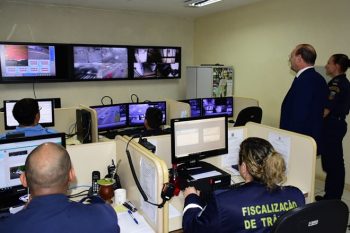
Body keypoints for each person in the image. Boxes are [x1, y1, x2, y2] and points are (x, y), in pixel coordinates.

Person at [182, 137, 305, 233]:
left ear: (244, 167)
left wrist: (191, 198)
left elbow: (193, 228)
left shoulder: (224, 202)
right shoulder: (296, 195)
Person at [0, 142, 120, 233]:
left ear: (24, 179)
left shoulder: (7, 227)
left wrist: (25, 210)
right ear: (71, 175)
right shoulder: (104, 217)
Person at [280, 44, 328, 153]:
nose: (289, 59)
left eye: (291, 56)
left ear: (299, 58)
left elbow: (298, 115)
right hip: (310, 141)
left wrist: (289, 143)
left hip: (299, 143)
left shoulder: (304, 81)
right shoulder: (319, 79)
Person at [316, 54, 350, 201]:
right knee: (332, 163)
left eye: (329, 63)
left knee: (334, 164)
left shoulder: (336, 84)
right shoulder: (343, 82)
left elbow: (326, 110)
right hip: (336, 125)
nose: (326, 66)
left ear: (336, 66)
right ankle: (330, 196)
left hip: (332, 126)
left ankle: (333, 198)